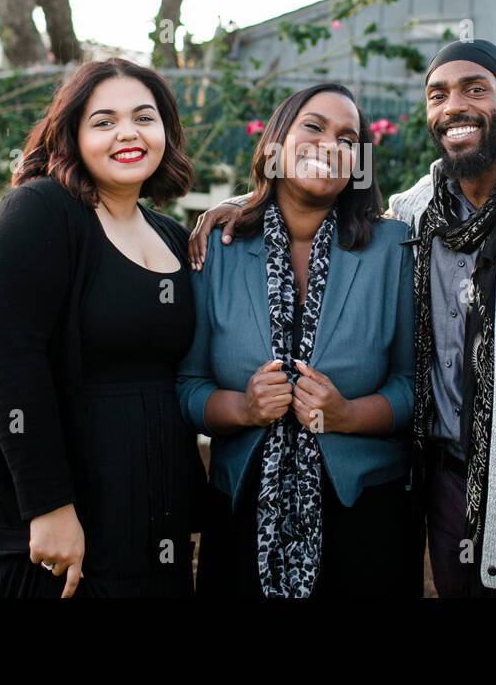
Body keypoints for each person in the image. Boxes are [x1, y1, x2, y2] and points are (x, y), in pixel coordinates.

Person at [189, 40, 496, 598]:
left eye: (474, 89)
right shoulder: (416, 215)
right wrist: (248, 203)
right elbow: (312, 191)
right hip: (448, 494)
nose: (454, 105)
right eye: (439, 94)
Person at [0, 58, 206, 598]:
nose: (128, 133)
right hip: (57, 510)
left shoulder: (170, 234)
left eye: (144, 117)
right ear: (71, 135)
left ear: (166, 130)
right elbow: (12, 365)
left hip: (146, 509)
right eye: (103, 121)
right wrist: (48, 506)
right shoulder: (40, 212)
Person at [176, 83, 419, 598]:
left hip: (367, 515)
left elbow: (414, 385)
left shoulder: (393, 248)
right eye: (313, 126)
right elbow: (188, 386)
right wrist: (242, 407)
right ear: (273, 147)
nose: (331, 144)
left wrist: (349, 415)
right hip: (242, 508)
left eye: (348, 138)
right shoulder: (215, 249)